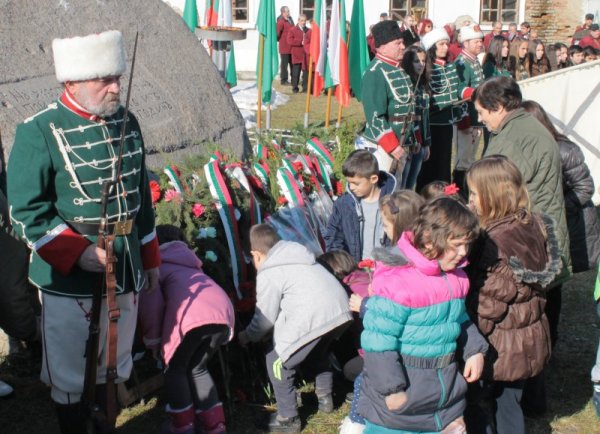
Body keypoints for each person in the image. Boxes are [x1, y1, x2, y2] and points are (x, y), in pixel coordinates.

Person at [7, 30, 160, 433]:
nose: (115, 88)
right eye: (104, 80)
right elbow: (26, 211)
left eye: (117, 78)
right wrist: (76, 253)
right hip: (70, 276)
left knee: (113, 366)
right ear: (71, 82)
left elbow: (140, 196)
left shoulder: (128, 122)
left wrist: (150, 258)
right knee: (71, 374)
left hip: (124, 266)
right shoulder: (39, 130)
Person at [357, 197, 488, 433]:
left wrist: (474, 350)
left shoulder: (455, 278)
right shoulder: (397, 283)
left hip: (444, 399)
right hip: (400, 408)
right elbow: (378, 342)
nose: (463, 252)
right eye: (457, 244)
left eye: (467, 244)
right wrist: (392, 390)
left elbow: (459, 319)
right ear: (428, 239)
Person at [465, 156, 561, 434]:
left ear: (492, 196)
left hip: (501, 345)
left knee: (485, 404)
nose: (469, 200)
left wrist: (467, 342)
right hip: (526, 337)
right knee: (510, 402)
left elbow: (487, 306)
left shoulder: (497, 246)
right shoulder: (530, 225)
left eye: (473, 193)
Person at [474, 76, 570, 352]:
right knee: (546, 294)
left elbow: (492, 188)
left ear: (498, 106)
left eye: (482, 112)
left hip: (527, 234)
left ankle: (536, 357)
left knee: (534, 300)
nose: (480, 119)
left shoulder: (514, 140)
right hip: (541, 228)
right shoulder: (526, 127)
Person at [238, 224, 352, 433]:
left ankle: (288, 418)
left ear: (256, 254)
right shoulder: (299, 256)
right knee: (318, 352)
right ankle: (325, 398)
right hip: (340, 311)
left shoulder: (270, 271)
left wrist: (246, 336)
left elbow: (264, 319)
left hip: (315, 316)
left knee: (277, 361)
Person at [337, 190, 425, 434]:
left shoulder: (397, 263)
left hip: (389, 343)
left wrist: (365, 305)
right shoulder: (425, 255)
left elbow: (391, 311)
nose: (384, 230)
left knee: (366, 382)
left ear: (401, 224)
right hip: (414, 347)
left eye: (386, 224)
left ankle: (357, 422)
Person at [137, 225, 234, 434]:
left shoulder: (156, 266)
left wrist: (153, 341)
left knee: (175, 371)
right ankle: (215, 426)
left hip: (193, 318)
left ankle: (182, 426)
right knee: (197, 368)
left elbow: (151, 305)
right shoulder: (190, 262)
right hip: (221, 313)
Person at [522, 100, 600, 273]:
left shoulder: (563, 150)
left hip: (574, 222)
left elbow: (585, 188)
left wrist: (559, 207)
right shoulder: (529, 151)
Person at [360, 20, 416, 178]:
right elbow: (374, 116)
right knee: (387, 194)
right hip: (385, 147)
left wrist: (414, 138)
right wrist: (392, 146)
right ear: (382, 46)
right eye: (398, 43)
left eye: (402, 42)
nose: (403, 47)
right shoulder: (375, 72)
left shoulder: (398, 68)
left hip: (404, 141)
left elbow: (408, 108)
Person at [324, 150, 397, 262]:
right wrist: (340, 263)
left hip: (386, 270)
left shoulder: (394, 203)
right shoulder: (344, 204)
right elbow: (333, 236)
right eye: (349, 182)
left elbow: (402, 238)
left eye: (356, 183)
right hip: (354, 269)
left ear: (373, 179)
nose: (351, 187)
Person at [416, 28, 464, 190]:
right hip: (432, 124)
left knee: (445, 161)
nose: (445, 47)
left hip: (447, 123)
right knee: (429, 164)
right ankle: (426, 193)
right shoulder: (428, 69)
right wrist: (448, 102)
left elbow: (455, 90)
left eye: (446, 44)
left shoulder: (449, 67)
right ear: (432, 47)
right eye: (441, 44)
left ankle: (444, 192)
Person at [454, 24, 485, 190]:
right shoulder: (462, 63)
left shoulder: (474, 61)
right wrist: (463, 118)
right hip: (466, 117)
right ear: (465, 43)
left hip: (476, 116)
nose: (480, 44)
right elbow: (459, 90)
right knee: (463, 158)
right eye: (476, 41)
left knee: (471, 157)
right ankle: (459, 189)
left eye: (481, 41)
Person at [400, 45, 431, 190]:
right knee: (403, 182)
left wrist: (426, 143)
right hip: (410, 140)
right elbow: (410, 116)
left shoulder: (423, 85)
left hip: (421, 141)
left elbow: (425, 117)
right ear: (408, 63)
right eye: (416, 61)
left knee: (411, 183)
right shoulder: (407, 85)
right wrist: (416, 139)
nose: (421, 64)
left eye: (423, 61)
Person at [287, 14, 309, 93]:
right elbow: (289, 41)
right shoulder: (292, 30)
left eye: (305, 21)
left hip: (305, 55)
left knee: (305, 73)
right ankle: (295, 88)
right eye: (302, 21)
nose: (303, 23)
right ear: (298, 21)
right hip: (296, 54)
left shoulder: (308, 30)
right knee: (296, 72)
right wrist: (300, 42)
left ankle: (305, 88)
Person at [276, 6, 294, 85]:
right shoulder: (281, 21)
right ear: (283, 12)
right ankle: (284, 80)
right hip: (284, 47)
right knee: (284, 65)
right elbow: (277, 34)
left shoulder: (290, 19)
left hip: (291, 46)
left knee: (292, 64)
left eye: (289, 11)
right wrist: (280, 40)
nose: (288, 12)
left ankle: (294, 79)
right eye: (287, 11)